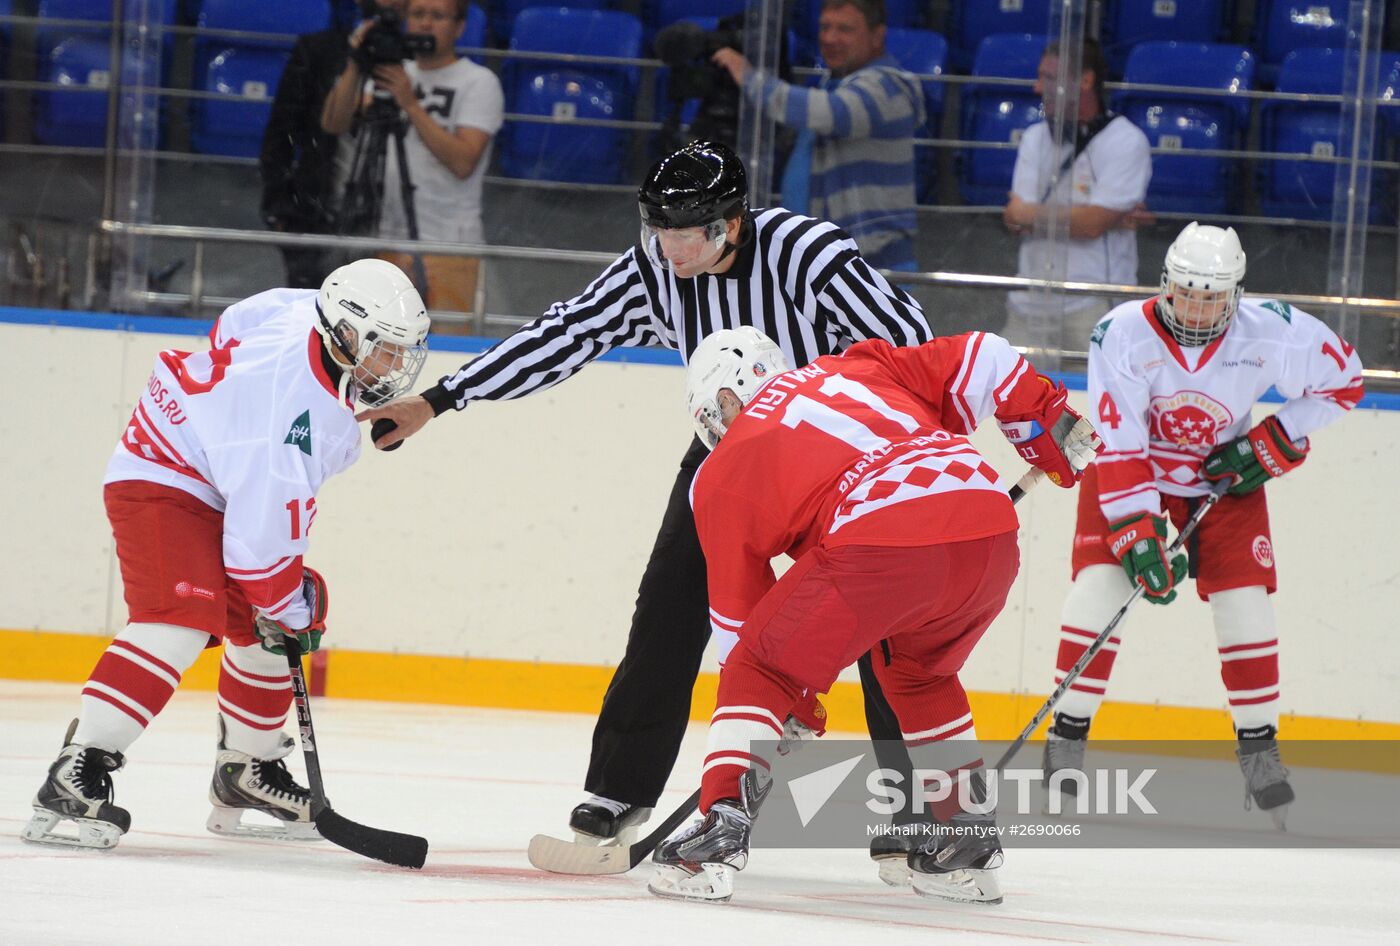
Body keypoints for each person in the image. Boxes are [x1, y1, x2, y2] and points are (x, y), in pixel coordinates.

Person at [357, 140, 934, 865]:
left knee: (886, 629)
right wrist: (441, 398)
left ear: (729, 224)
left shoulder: (805, 255)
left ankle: (922, 811)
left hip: (845, 458)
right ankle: (619, 789)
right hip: (731, 450)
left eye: (684, 232)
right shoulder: (656, 271)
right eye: (658, 229)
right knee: (667, 604)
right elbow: (567, 332)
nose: (668, 248)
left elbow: (913, 345)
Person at [646, 326, 1092, 905]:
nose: (717, 432)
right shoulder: (859, 365)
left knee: (759, 664)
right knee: (920, 674)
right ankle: (966, 840)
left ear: (729, 395)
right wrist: (1048, 425)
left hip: (880, 535)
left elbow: (742, 627)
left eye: (714, 415)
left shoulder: (721, 472)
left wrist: (787, 704)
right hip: (988, 529)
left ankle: (718, 830)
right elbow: (987, 355)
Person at [20, 260, 430, 850]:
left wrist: (224, 410)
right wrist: (289, 608)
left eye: (401, 351)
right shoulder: (294, 422)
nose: (393, 366)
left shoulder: (309, 311)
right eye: (384, 350)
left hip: (215, 465)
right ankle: (76, 769)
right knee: (183, 618)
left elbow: (238, 320)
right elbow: (258, 555)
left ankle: (246, 771)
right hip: (163, 471)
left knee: (266, 623)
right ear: (344, 334)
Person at [1041, 223, 1364, 829]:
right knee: (1098, 591)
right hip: (1132, 468)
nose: (1195, 309)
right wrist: (1137, 532)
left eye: (1210, 298)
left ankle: (1259, 751)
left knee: (1245, 604)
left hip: (1222, 475)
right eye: (1186, 294)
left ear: (1235, 295)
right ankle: (1067, 734)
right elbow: (1120, 440)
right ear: (1166, 284)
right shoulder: (1120, 332)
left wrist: (1278, 436)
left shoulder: (1271, 329)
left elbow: (1345, 380)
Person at [321, 0, 504, 320]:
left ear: (459, 26)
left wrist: (410, 103)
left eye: (438, 16)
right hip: (384, 238)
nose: (426, 23)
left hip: (449, 244)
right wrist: (356, 62)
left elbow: (463, 162)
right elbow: (333, 123)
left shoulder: (478, 81)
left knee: (448, 341)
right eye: (418, 14)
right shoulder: (389, 71)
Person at [711, 0, 924, 271]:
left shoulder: (889, 87)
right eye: (825, 27)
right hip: (826, 258)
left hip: (873, 263)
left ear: (877, 35)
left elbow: (831, 113)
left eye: (844, 29)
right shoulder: (834, 84)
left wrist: (748, 76)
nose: (830, 38)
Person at [1001, 38, 1152, 350]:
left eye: (1049, 78)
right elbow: (1014, 220)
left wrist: (1031, 215)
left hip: (1094, 307)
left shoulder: (1126, 141)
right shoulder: (1034, 137)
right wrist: (1091, 217)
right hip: (1028, 301)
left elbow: (1091, 225)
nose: (1037, 88)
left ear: (1085, 81)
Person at [259, 3, 360, 288]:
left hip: (395, 223)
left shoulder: (418, 58)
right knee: (311, 306)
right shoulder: (318, 51)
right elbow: (281, 132)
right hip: (317, 212)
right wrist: (280, 207)